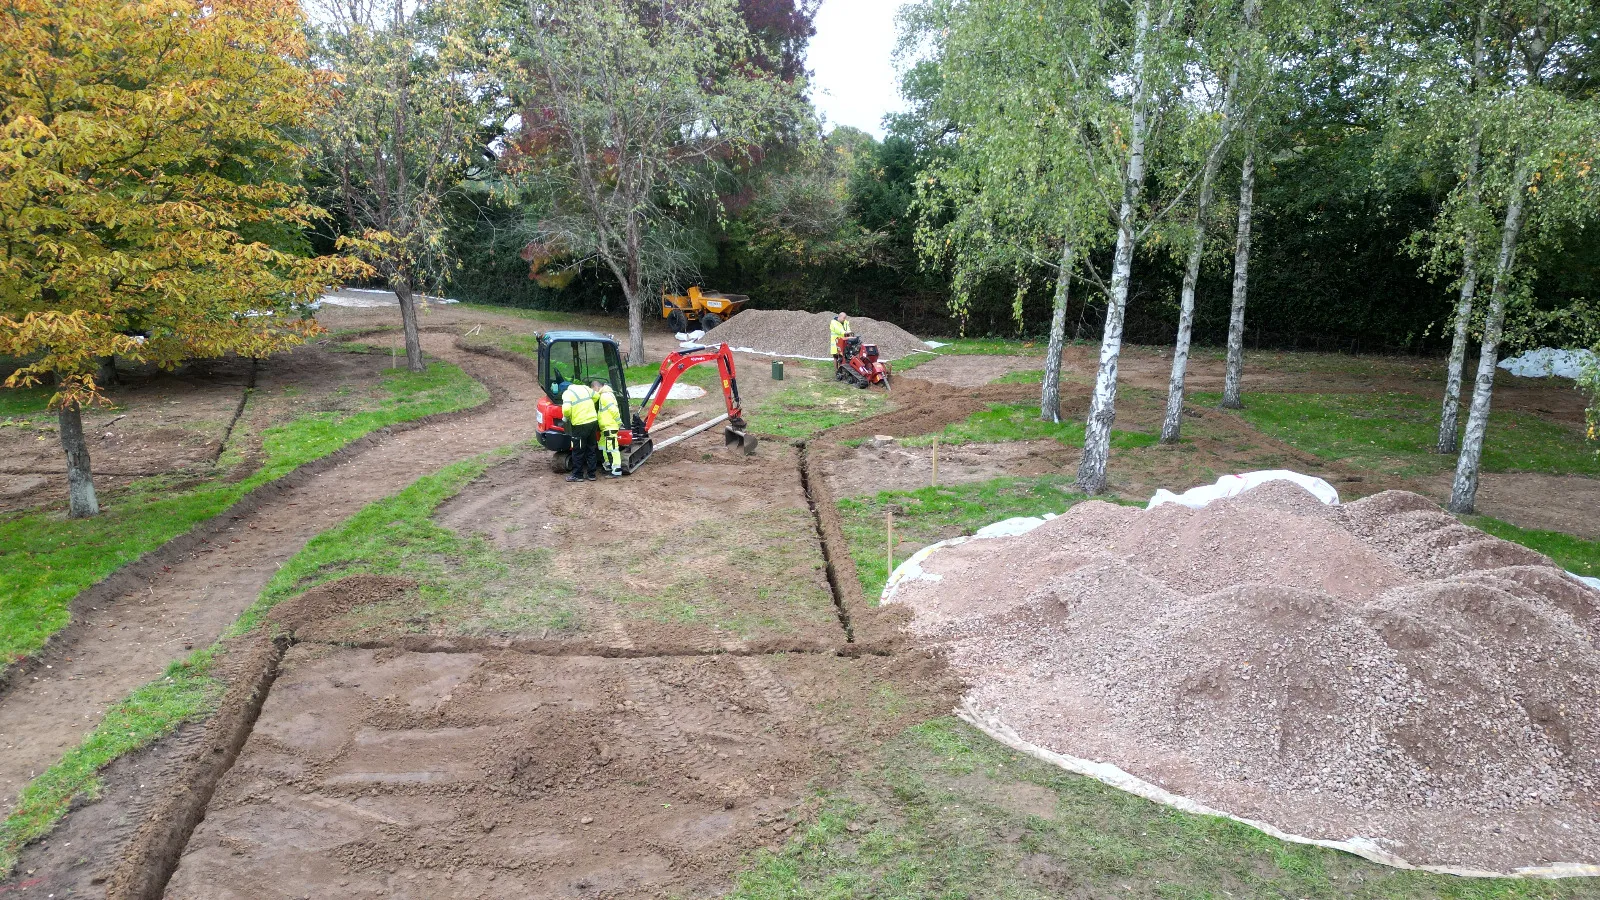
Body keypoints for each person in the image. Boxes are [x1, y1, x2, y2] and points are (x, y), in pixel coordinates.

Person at [561, 379, 599, 482]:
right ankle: (592, 475)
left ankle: (578, 475)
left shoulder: (567, 393)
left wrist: (566, 417)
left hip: (580, 424)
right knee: (591, 448)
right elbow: (596, 396)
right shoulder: (584, 388)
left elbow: (566, 409)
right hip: (593, 421)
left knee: (578, 450)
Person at [593, 379, 623, 477]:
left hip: (610, 427)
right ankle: (608, 466)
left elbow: (614, 410)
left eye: (594, 390)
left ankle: (616, 470)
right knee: (603, 446)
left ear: (596, 387)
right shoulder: (604, 396)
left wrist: (618, 422)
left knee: (612, 448)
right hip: (605, 428)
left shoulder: (605, 396)